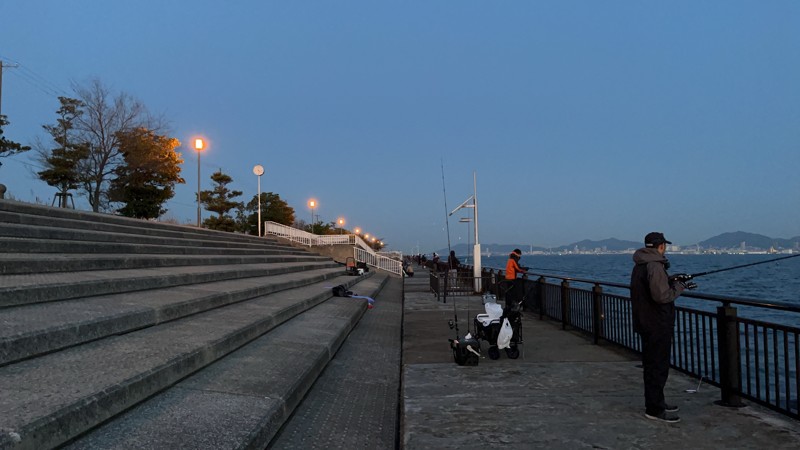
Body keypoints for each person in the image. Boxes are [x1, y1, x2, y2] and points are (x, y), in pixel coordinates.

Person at [630, 232, 697, 424]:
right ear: (661, 246)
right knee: (658, 367)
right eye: (664, 246)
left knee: (652, 365)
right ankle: (655, 408)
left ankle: (657, 402)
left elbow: (652, 288)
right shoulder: (655, 265)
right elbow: (662, 296)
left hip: (645, 321)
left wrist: (672, 279)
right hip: (657, 324)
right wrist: (680, 287)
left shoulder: (640, 264)